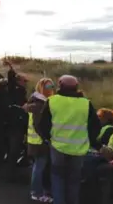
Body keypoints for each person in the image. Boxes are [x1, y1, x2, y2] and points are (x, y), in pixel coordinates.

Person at [37, 75, 101, 204]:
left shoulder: (52, 101)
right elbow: (95, 126)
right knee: (74, 180)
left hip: (57, 148)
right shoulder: (86, 103)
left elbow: (42, 124)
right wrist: (89, 140)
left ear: (60, 85)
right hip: (79, 149)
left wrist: (48, 139)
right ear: (76, 87)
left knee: (57, 178)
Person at [25, 78, 55, 203]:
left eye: (52, 86)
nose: (51, 89)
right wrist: (46, 138)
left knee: (38, 166)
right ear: (41, 88)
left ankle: (39, 191)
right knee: (39, 167)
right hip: (39, 142)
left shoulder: (38, 102)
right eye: (48, 87)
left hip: (36, 141)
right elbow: (38, 125)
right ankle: (36, 193)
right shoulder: (39, 105)